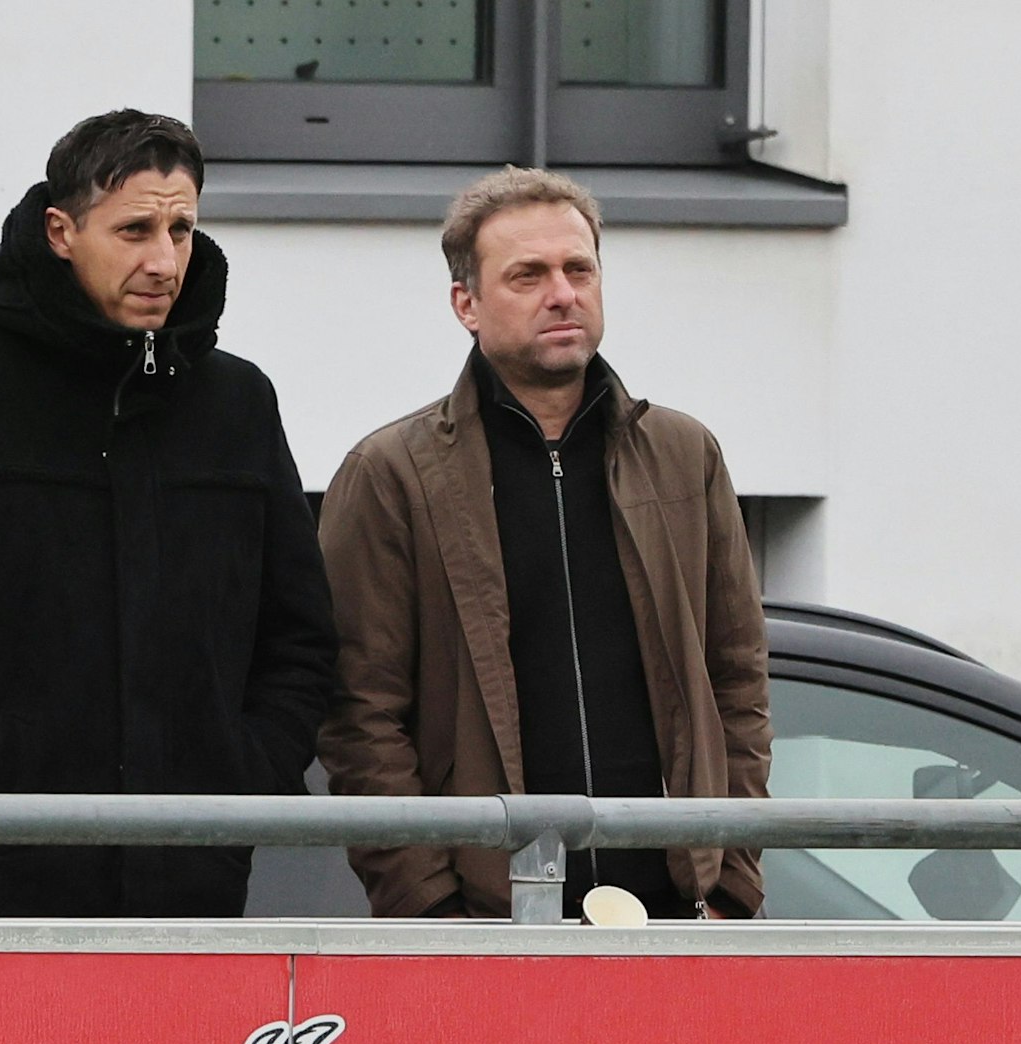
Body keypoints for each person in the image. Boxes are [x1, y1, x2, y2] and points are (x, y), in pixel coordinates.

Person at [0, 109, 335, 918]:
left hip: (193, 893)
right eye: (134, 230)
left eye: (182, 229)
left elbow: (300, 635)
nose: (164, 260)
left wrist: (245, 769)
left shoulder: (238, 403)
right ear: (61, 231)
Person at [316, 167, 771, 920]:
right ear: (466, 303)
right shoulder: (393, 476)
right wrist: (431, 908)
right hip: (488, 925)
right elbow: (361, 716)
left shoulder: (686, 458)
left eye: (578, 269)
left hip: (674, 916)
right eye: (527, 275)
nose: (562, 293)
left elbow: (738, 682)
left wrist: (729, 884)